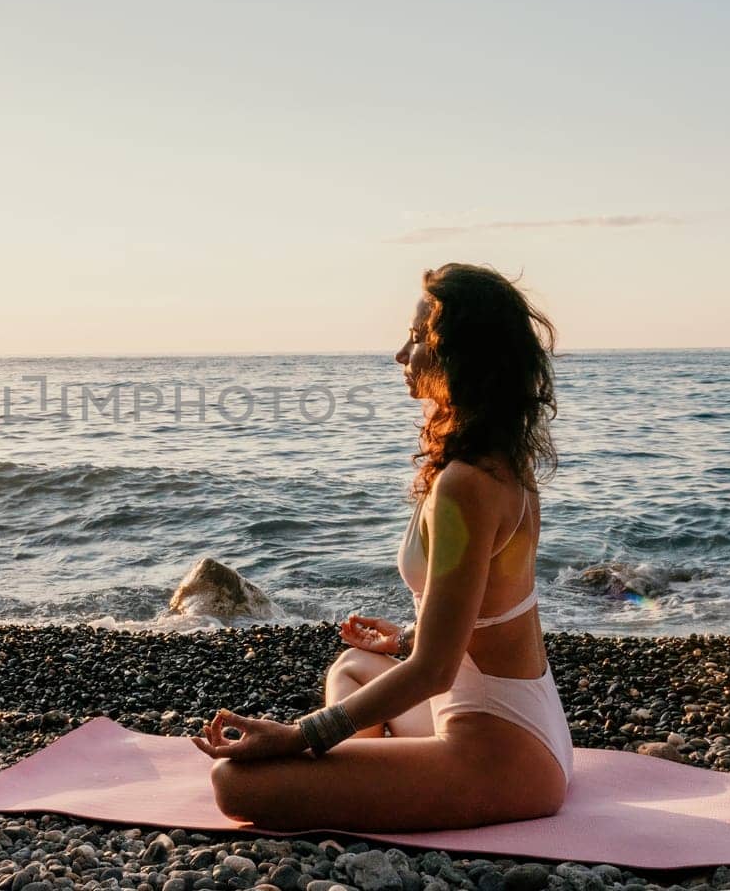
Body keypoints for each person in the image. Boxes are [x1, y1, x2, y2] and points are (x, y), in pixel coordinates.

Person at [192, 263, 573, 832]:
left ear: (460, 356)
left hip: (500, 754)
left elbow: (434, 672)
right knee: (353, 666)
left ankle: (347, 779)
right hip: (525, 722)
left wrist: (300, 736)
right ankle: (360, 779)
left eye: (419, 339)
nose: (402, 353)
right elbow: (488, 617)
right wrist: (408, 637)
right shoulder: (499, 463)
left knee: (235, 785)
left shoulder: (467, 485)